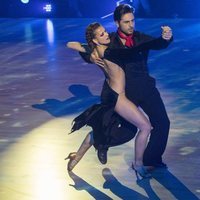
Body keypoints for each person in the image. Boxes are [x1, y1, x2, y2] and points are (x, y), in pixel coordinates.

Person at [65, 22, 167, 178]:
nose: (107, 34)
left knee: (103, 130)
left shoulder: (95, 51)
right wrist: (160, 39)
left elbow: (70, 44)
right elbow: (132, 50)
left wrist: (90, 52)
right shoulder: (110, 52)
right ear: (95, 40)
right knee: (146, 127)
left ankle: (76, 158)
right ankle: (139, 165)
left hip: (111, 93)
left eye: (105, 31)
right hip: (117, 96)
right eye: (102, 34)